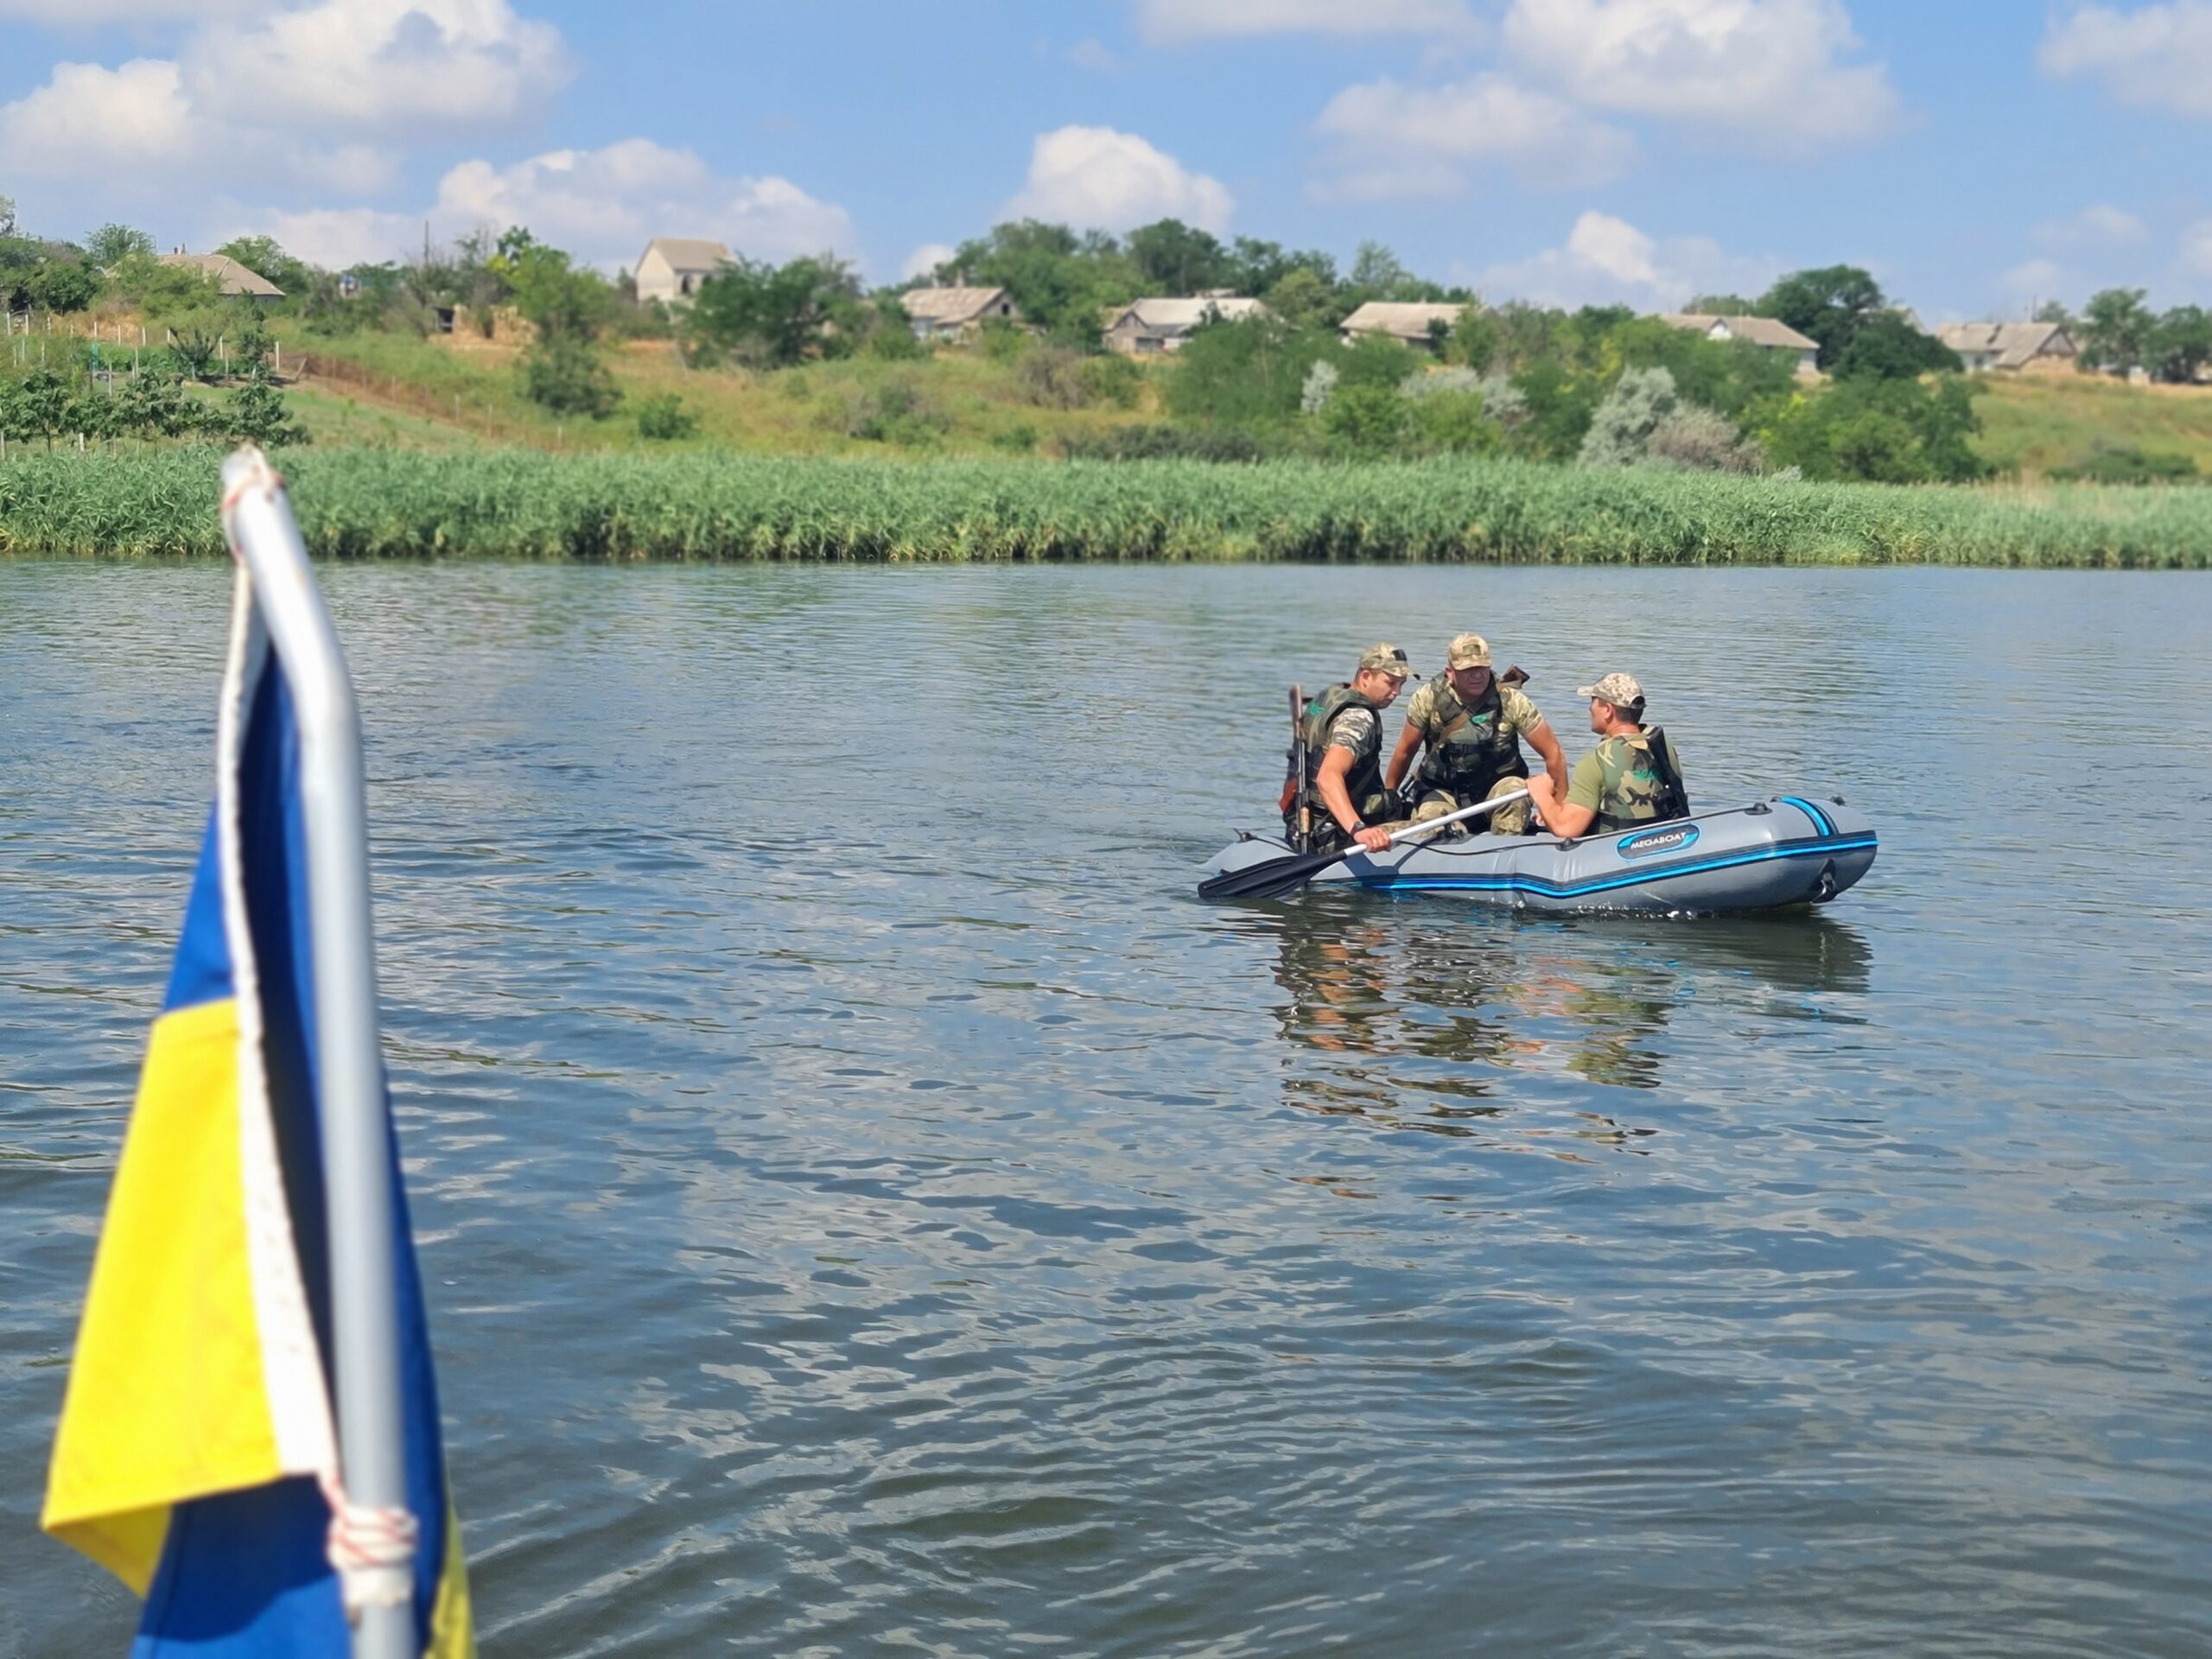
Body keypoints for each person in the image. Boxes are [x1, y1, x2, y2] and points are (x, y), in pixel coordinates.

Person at [1384, 632, 1567, 836]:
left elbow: (1553, 753)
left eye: (1482, 668)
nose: (1477, 675)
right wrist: (1389, 798)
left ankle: (1504, 853)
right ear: (1450, 672)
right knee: (1434, 827)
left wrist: (1557, 811)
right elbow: (1405, 752)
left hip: (1495, 791)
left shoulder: (1511, 701)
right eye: (1468, 670)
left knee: (1515, 793)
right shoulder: (1428, 698)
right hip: (1443, 791)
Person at [1525, 671, 1690, 838]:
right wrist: (1553, 811)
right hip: (1663, 841)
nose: (1590, 708)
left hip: (1612, 852)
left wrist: (1542, 795)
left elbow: (1566, 829)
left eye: (1593, 701)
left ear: (1608, 710)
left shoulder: (1596, 762)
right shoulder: (1665, 747)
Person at [1286, 644, 1414, 855]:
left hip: (1304, 824)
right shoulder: (1358, 718)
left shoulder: (1327, 697)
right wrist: (1358, 829)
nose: (1397, 692)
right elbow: (1327, 777)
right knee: (1439, 826)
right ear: (1365, 677)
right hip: (1335, 833)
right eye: (1391, 683)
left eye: (1402, 684)